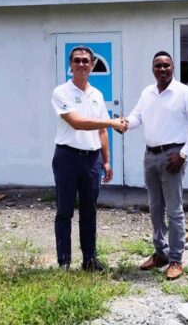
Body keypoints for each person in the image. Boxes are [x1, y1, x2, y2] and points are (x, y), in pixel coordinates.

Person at [125, 51, 188, 280]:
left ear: (173, 67)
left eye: (166, 66)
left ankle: (175, 259)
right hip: (150, 156)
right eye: (158, 66)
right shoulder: (147, 93)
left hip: (173, 156)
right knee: (154, 209)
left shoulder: (185, 93)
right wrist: (123, 123)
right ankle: (160, 253)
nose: (162, 69)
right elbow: (136, 117)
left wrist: (183, 154)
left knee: (174, 211)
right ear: (153, 69)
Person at [51, 45, 126, 272]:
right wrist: (112, 122)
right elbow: (77, 122)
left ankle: (90, 260)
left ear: (92, 65)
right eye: (77, 61)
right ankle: (64, 262)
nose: (82, 65)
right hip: (67, 157)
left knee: (89, 211)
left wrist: (106, 160)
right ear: (70, 65)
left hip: (92, 160)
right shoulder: (61, 92)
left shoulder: (97, 94)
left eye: (86, 61)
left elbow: (101, 132)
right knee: (64, 210)